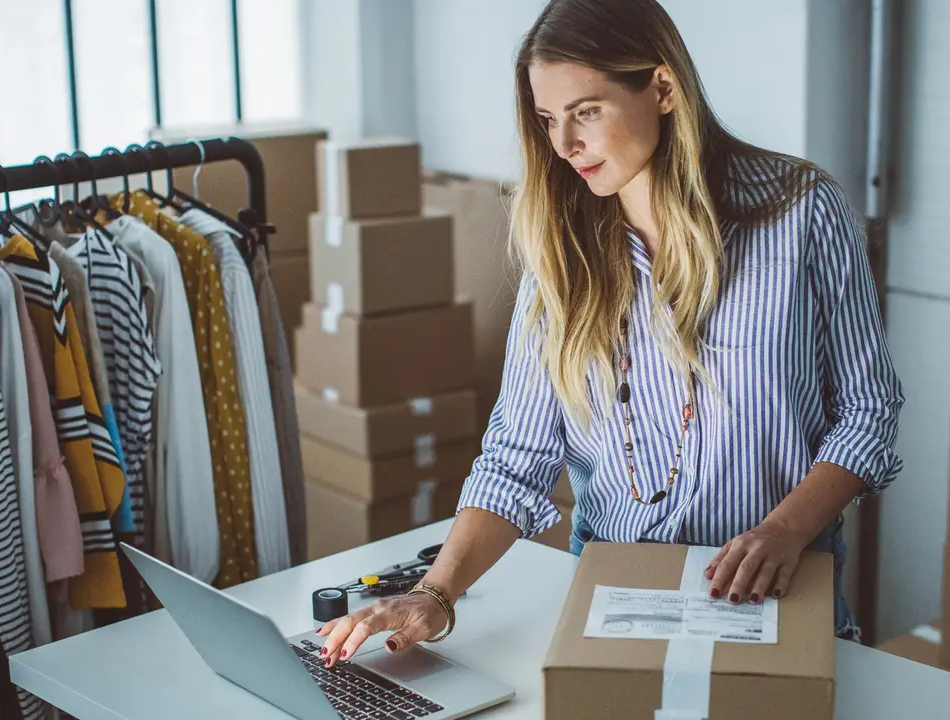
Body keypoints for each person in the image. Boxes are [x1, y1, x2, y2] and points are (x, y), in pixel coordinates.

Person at [317, 0, 903, 664]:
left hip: (777, 597)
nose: (564, 145)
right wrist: (436, 594)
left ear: (661, 88)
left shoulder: (801, 212)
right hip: (618, 605)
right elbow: (517, 458)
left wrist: (784, 531)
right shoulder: (562, 253)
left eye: (585, 111)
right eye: (548, 120)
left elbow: (869, 409)